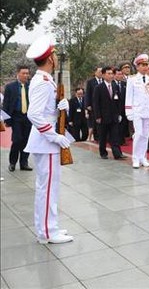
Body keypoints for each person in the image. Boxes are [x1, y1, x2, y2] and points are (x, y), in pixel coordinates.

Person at [24, 35, 74, 244]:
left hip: (46, 140)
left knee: (50, 186)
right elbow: (33, 114)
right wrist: (55, 136)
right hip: (46, 142)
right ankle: (46, 232)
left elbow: (45, 110)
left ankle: (49, 226)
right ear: (51, 59)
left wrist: (60, 106)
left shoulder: (44, 80)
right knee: (47, 187)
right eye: (54, 53)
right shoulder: (43, 82)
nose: (55, 56)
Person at [125, 54, 149, 168]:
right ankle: (135, 158)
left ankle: (143, 157)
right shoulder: (132, 79)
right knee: (138, 134)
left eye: (146, 65)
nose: (145, 67)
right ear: (137, 67)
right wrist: (128, 111)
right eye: (142, 65)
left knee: (146, 135)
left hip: (148, 110)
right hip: (137, 111)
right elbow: (128, 96)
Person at [3, 65, 33, 171]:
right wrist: (6, 119)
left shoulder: (31, 86)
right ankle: (12, 162)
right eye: (23, 73)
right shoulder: (10, 87)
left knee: (27, 140)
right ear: (18, 73)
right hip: (16, 117)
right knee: (17, 140)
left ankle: (24, 163)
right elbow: (6, 104)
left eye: (27, 73)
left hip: (28, 117)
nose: (26, 75)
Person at [92, 66, 125, 160]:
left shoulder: (115, 86)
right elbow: (96, 103)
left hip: (114, 115)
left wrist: (119, 114)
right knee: (103, 136)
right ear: (103, 75)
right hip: (103, 116)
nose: (111, 76)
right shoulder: (98, 87)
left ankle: (117, 153)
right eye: (108, 74)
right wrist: (98, 116)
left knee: (115, 135)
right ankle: (103, 152)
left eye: (111, 74)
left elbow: (118, 101)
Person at [85, 66, 103, 142]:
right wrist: (88, 105)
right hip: (93, 105)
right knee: (95, 122)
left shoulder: (104, 81)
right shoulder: (90, 82)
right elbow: (88, 94)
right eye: (99, 72)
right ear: (95, 72)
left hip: (103, 104)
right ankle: (97, 137)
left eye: (101, 72)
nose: (100, 73)